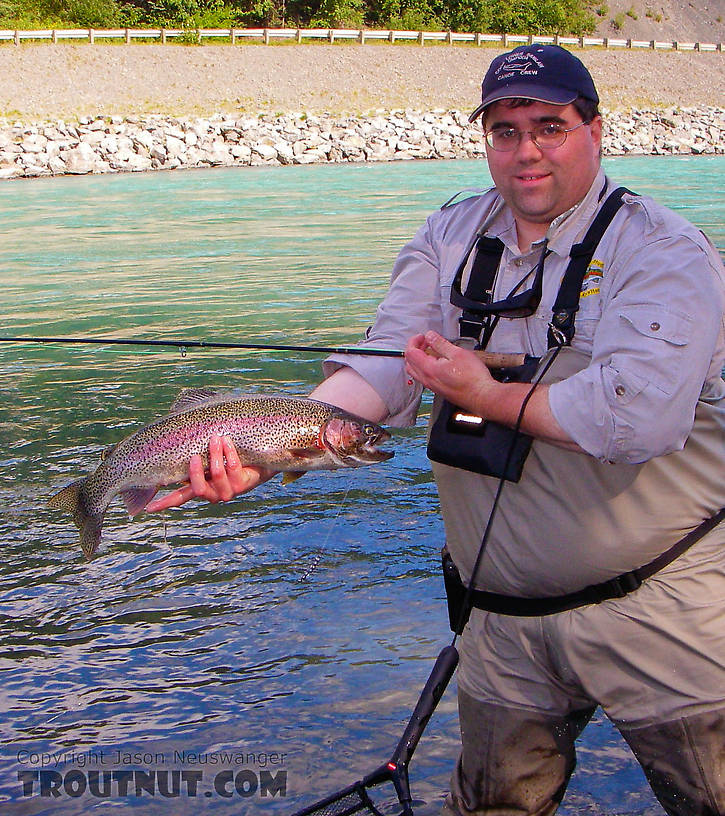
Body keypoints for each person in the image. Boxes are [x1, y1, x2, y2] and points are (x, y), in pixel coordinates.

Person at [147, 45, 725, 816]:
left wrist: (483, 393)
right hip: (500, 620)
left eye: (548, 126)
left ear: (594, 130)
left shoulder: (662, 251)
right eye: (504, 130)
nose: (525, 150)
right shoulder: (448, 235)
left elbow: (636, 420)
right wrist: (284, 441)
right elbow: (384, 366)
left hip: (660, 607)